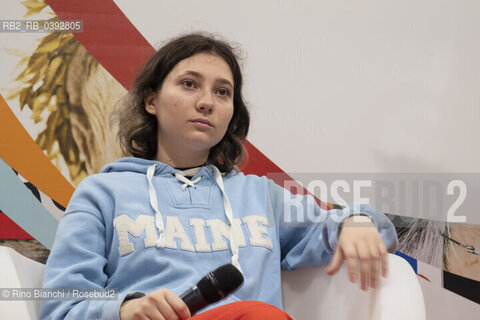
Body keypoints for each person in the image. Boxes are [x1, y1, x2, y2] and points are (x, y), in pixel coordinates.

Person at [40, 33, 398, 320]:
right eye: (189, 84)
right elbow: (61, 306)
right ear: (151, 100)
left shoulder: (261, 197)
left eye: (222, 92)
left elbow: (349, 227)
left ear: (231, 113)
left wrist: (358, 221)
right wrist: (126, 309)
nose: (207, 101)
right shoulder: (102, 193)